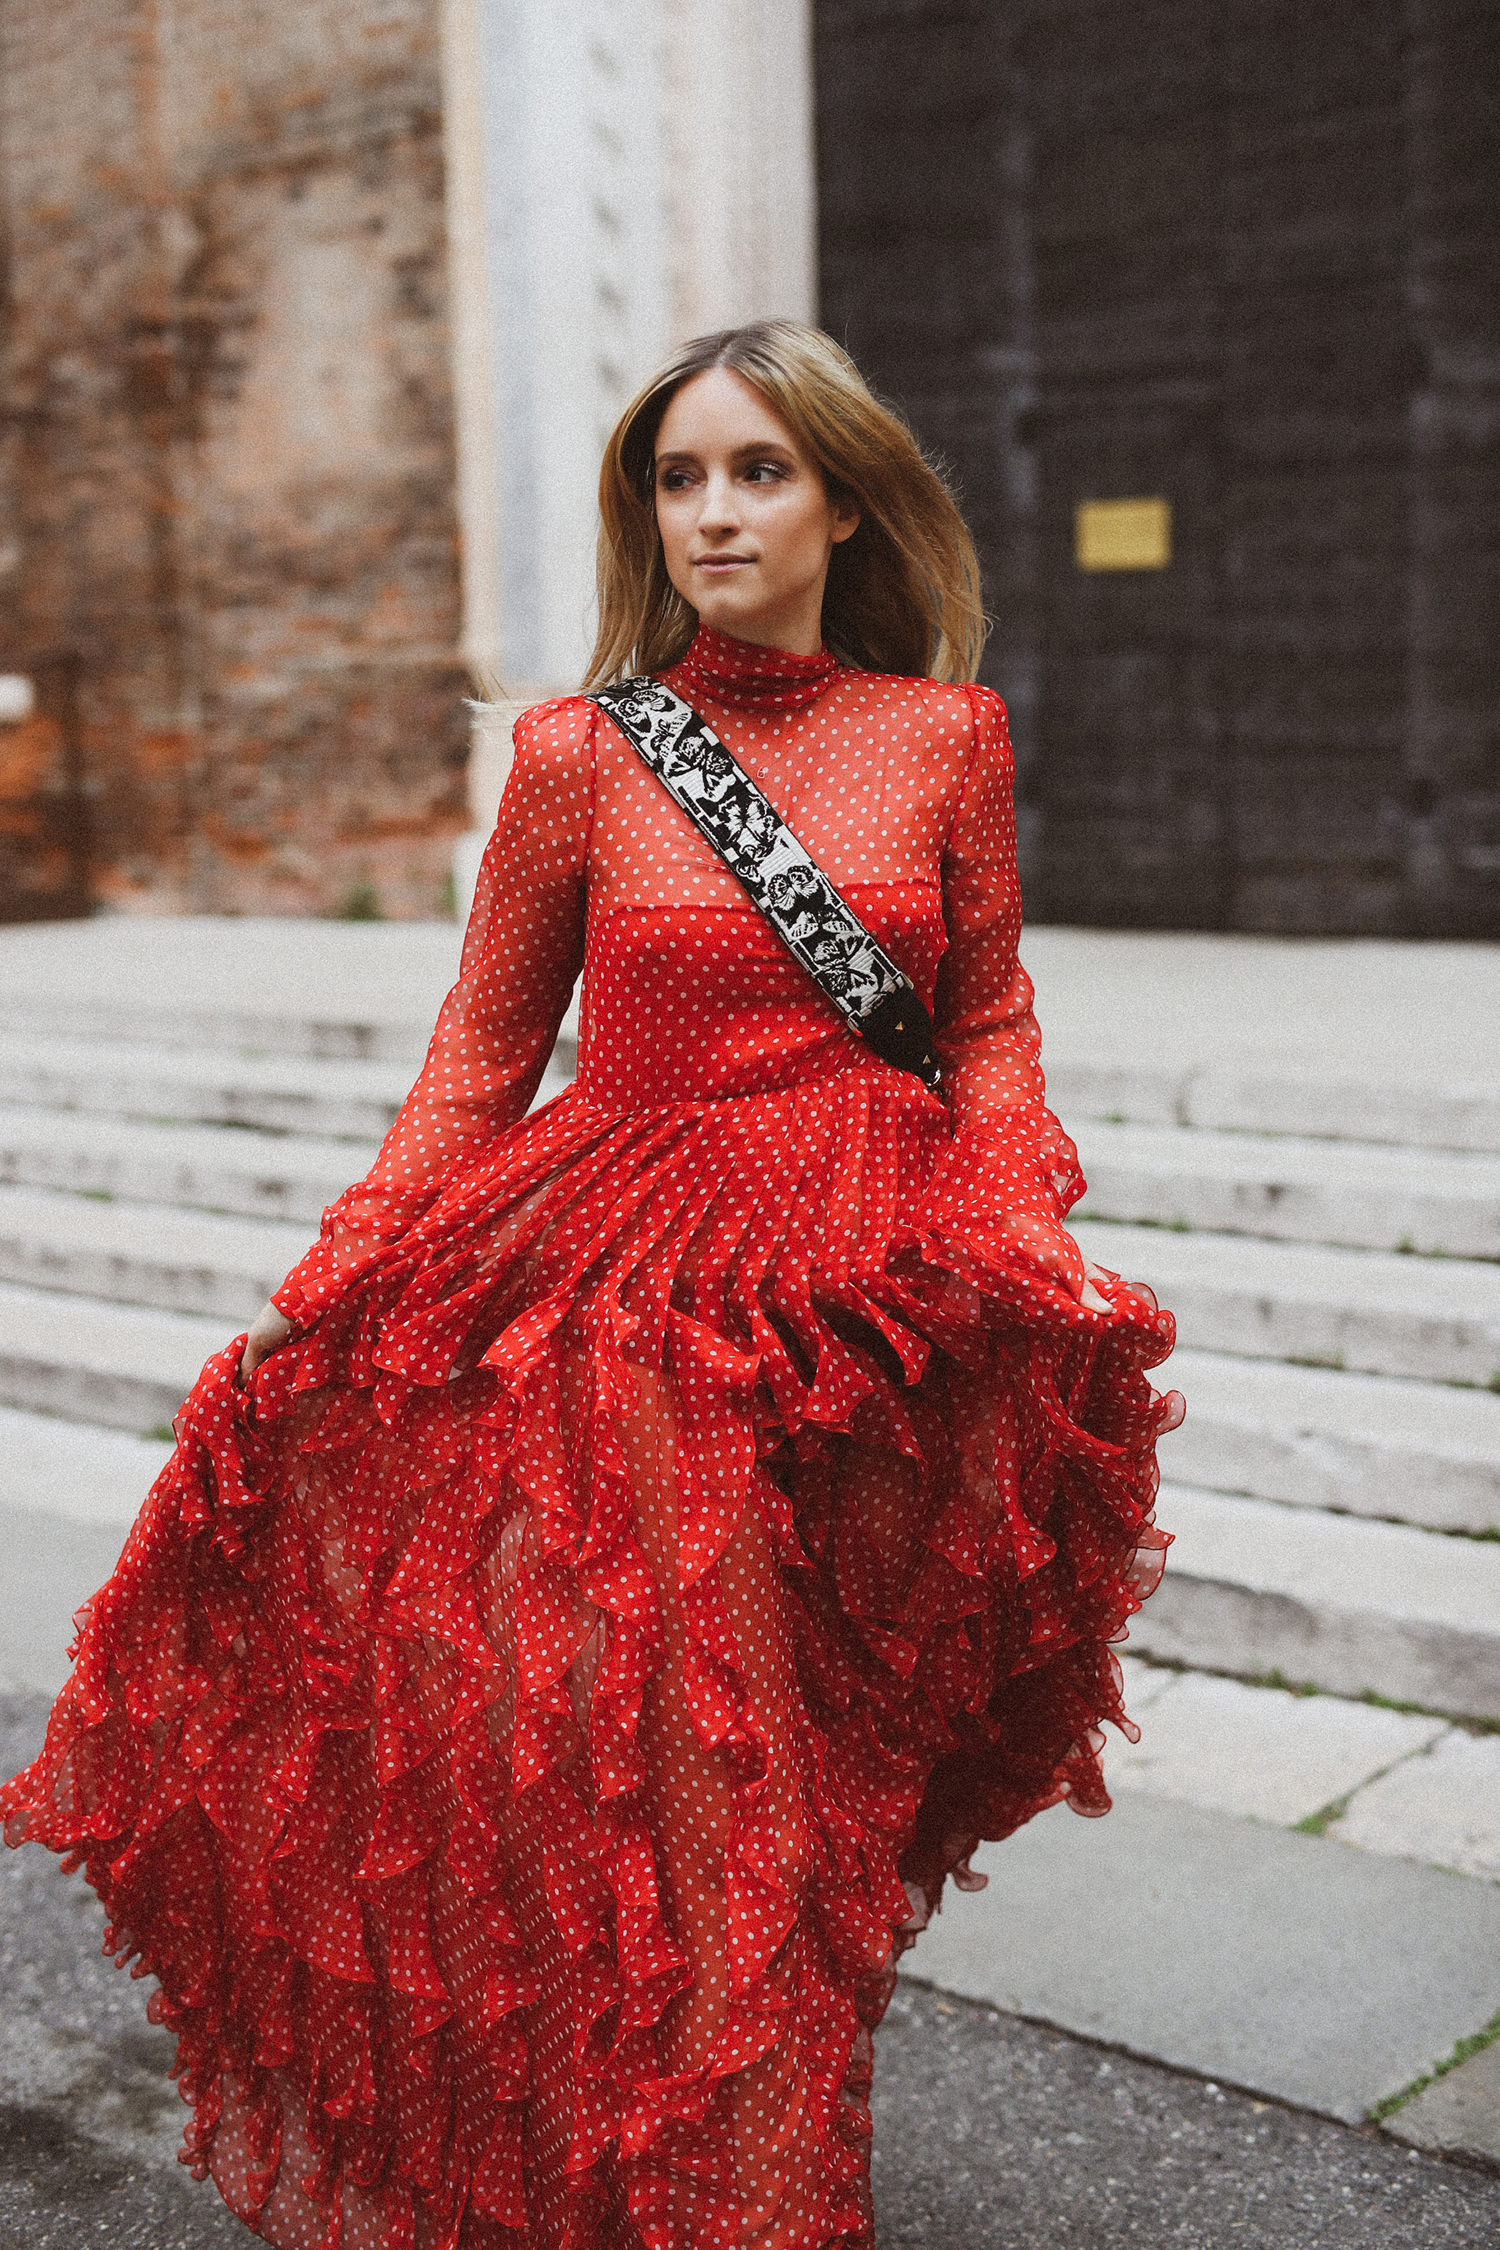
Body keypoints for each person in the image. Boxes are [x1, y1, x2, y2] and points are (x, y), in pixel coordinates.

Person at [1, 321, 1180, 2250]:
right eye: (679, 475)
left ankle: (753, 2123)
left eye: (759, 470)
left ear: (845, 497)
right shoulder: (579, 754)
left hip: (882, 1314)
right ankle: (744, 2207)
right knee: (699, 1794)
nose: (714, 510)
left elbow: (985, 1016)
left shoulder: (947, 737)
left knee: (834, 1784)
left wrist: (1015, 1209)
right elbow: (480, 1053)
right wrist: (343, 1270)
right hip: (633, 1306)